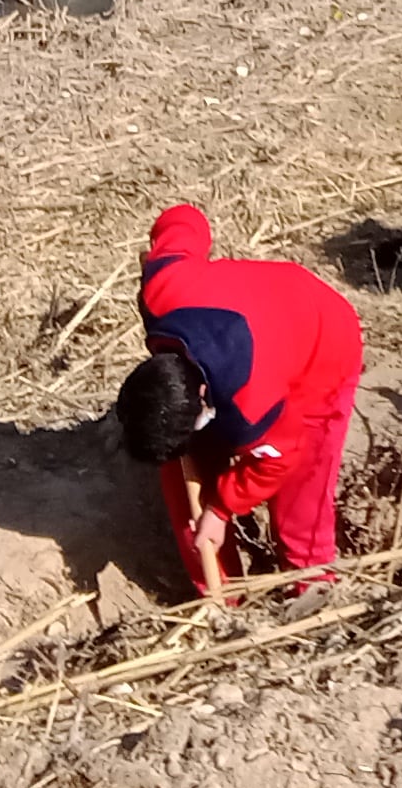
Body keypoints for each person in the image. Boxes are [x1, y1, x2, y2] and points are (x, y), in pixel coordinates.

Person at [114, 201, 364, 603]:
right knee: (184, 486)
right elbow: (184, 218)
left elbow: (277, 461)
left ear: (200, 399)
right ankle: (222, 602)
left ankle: (313, 592)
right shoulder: (163, 289)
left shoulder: (255, 408)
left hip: (321, 347)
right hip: (245, 332)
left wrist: (222, 508)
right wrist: (159, 247)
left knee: (300, 505)